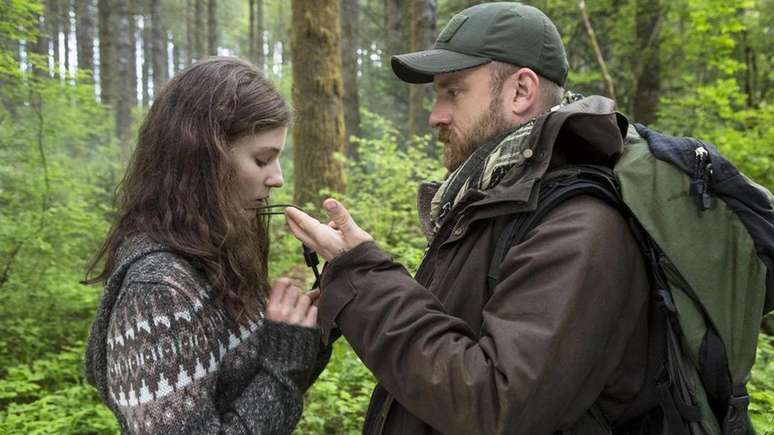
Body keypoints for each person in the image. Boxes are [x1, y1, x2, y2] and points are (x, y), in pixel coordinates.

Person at [285, 3, 651, 435]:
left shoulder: (581, 226)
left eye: (453, 92)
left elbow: (495, 405)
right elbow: (446, 347)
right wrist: (364, 265)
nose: (434, 115)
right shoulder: (494, 205)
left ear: (520, 91)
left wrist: (364, 279)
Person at [83, 57, 329, 435]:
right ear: (203, 161)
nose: (277, 178)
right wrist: (283, 361)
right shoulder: (157, 293)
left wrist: (324, 316)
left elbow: (251, 388)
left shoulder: (215, 253)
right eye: (262, 159)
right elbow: (271, 381)